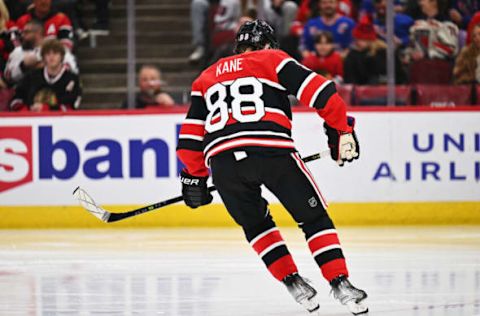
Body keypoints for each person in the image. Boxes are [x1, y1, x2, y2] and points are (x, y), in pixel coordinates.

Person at [176, 20, 368, 315]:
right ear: (268, 44)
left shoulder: (206, 76)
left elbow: (190, 140)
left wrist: (194, 178)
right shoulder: (273, 59)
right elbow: (323, 93)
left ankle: (294, 283)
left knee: (255, 224)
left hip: (223, 163)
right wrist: (340, 130)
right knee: (313, 219)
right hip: (272, 152)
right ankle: (340, 284)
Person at [10, 39, 81, 111]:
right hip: (32, 119)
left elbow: (71, 106)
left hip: (60, 121)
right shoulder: (31, 77)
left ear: (61, 56)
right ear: (43, 57)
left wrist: (46, 109)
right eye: (48, 54)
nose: (51, 57)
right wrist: (27, 110)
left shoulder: (72, 79)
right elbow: (16, 100)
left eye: (55, 53)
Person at [5, 19, 78, 85]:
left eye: (26, 32)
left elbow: (72, 70)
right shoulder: (17, 52)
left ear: (38, 33)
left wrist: (48, 68)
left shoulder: (57, 49)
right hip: (25, 92)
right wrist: (23, 66)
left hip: (54, 90)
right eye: (23, 32)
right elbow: (8, 77)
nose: (22, 36)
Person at [344, 15, 406, 84]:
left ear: (368, 40)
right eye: (356, 39)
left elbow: (399, 76)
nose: (356, 42)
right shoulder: (353, 55)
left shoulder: (385, 53)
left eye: (359, 39)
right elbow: (350, 79)